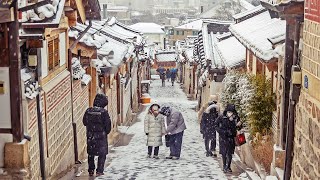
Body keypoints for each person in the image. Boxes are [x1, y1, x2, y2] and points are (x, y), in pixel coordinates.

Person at [83, 94, 112, 177]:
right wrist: (104, 132)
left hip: (91, 137)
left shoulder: (88, 111)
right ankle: (99, 170)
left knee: (91, 154)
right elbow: (108, 126)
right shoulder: (104, 113)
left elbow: (84, 122)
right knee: (102, 154)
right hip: (101, 138)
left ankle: (91, 170)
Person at [215, 104, 242, 173]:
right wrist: (221, 131)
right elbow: (216, 125)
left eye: (231, 112)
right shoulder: (221, 117)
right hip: (223, 137)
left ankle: (228, 166)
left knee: (229, 153)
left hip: (231, 137)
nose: (230, 113)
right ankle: (224, 166)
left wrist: (239, 125)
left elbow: (239, 127)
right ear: (226, 111)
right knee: (224, 153)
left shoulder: (235, 118)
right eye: (229, 112)